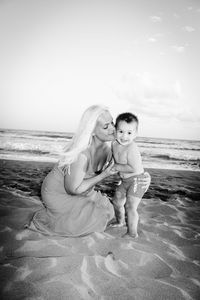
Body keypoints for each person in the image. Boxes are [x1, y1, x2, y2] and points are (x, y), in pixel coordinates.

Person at [22, 105, 150, 238]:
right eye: (106, 127)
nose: (113, 128)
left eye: (112, 122)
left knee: (109, 212)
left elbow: (128, 165)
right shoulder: (82, 154)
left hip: (84, 190)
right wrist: (104, 174)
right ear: (92, 131)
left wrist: (144, 177)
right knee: (90, 221)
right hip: (59, 193)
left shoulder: (109, 150)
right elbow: (73, 189)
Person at [111, 112, 150, 238]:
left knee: (130, 206)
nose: (124, 136)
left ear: (135, 134)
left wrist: (117, 167)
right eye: (120, 131)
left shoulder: (131, 148)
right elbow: (115, 158)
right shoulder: (114, 144)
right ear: (115, 130)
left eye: (129, 133)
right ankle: (120, 222)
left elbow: (134, 168)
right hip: (125, 180)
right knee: (117, 201)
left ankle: (132, 233)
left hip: (137, 179)